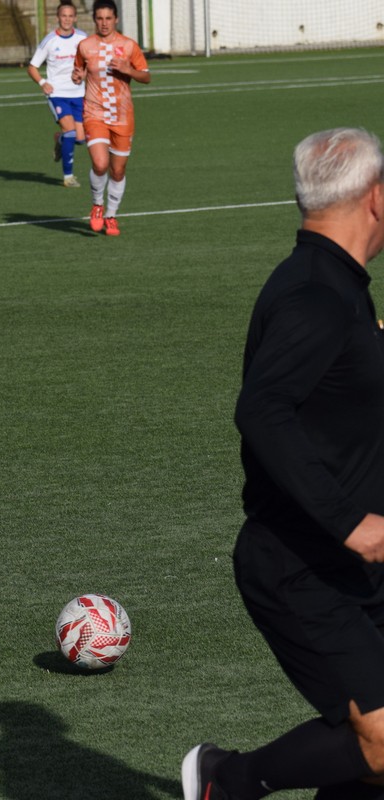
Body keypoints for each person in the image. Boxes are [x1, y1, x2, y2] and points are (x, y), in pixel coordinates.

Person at [183, 128, 384, 800]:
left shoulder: (335, 285)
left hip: (353, 567)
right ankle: (226, 780)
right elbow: (263, 409)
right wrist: (350, 520)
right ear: (375, 199)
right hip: (303, 566)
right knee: (382, 741)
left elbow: (334, 391)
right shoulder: (316, 295)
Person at [71, 0, 149, 236]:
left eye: (108, 18)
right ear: (94, 20)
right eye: (99, 18)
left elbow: (146, 76)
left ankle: (111, 216)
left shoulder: (128, 46)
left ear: (116, 19)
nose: (104, 23)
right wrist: (77, 76)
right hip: (94, 113)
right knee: (100, 164)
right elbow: (79, 70)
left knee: (118, 171)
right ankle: (97, 204)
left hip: (122, 116)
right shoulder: (85, 46)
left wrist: (128, 70)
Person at [27, 1, 88, 188]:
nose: (67, 19)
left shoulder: (83, 38)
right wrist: (42, 83)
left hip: (79, 93)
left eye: (70, 16)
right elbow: (32, 67)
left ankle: (59, 140)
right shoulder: (50, 41)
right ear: (58, 18)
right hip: (57, 94)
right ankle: (68, 177)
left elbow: (91, 62)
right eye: (63, 16)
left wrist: (84, 74)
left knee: (80, 139)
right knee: (70, 131)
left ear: (75, 18)